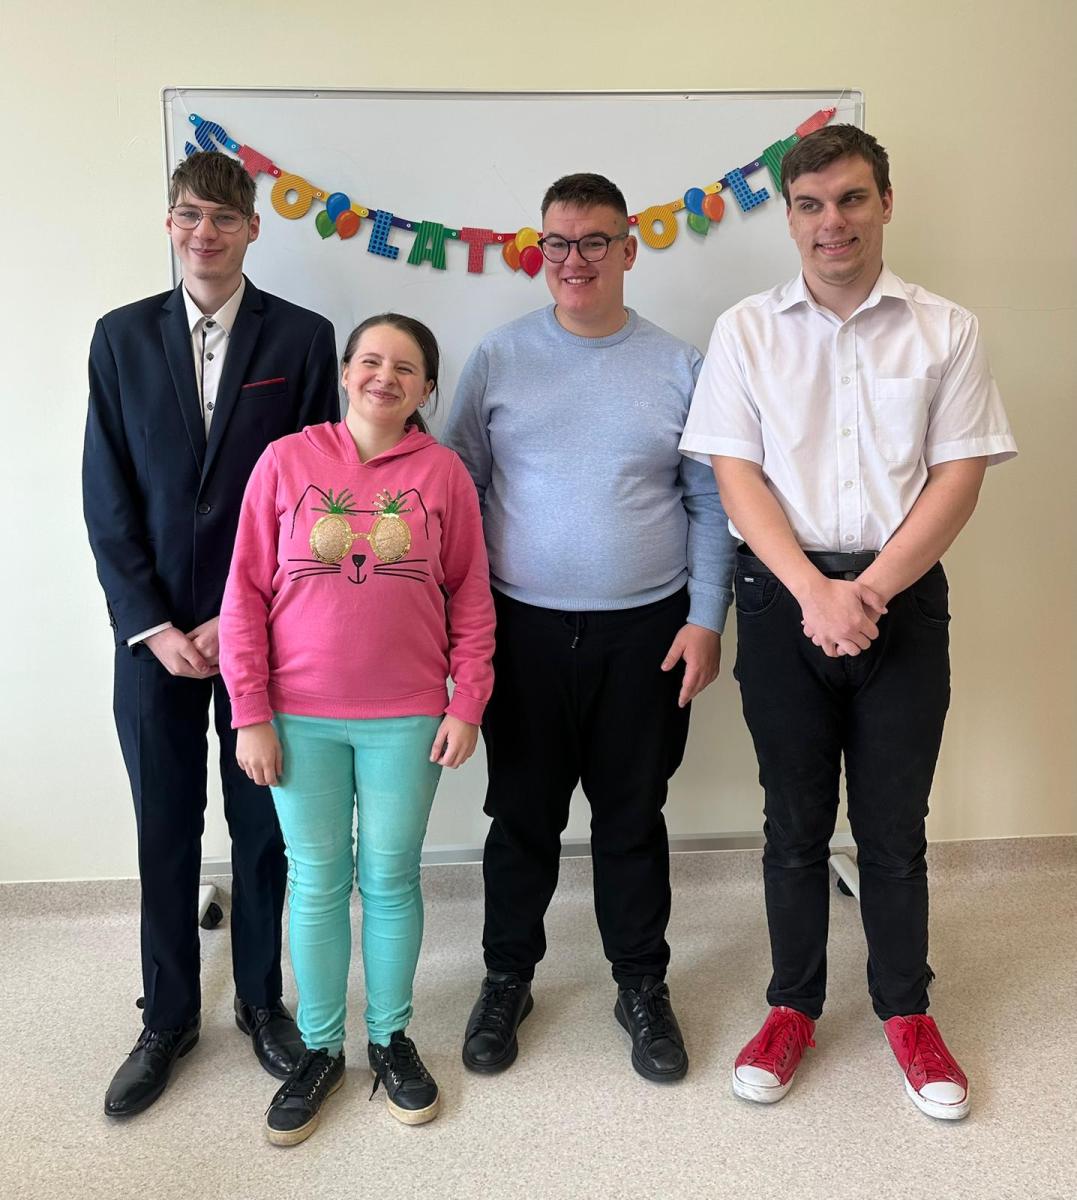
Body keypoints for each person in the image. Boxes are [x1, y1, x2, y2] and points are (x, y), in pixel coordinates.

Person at [681, 125, 1016, 1120]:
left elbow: (958, 475)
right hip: (779, 595)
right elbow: (735, 476)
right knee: (792, 824)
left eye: (853, 199)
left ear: (885, 203)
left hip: (901, 597)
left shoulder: (945, 329)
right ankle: (792, 1007)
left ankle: (906, 1012)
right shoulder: (746, 330)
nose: (834, 222)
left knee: (893, 827)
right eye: (812, 205)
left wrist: (864, 591)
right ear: (789, 217)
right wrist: (813, 592)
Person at [445, 173, 736, 1084]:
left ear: (628, 249)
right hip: (521, 632)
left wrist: (705, 619)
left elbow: (709, 502)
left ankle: (640, 985)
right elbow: (455, 489)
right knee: (520, 818)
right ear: (541, 251)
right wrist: (461, 628)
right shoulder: (498, 357)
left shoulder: (680, 365)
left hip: (646, 633)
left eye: (594, 241)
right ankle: (506, 979)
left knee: (631, 816)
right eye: (558, 243)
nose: (574, 260)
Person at [83, 150, 340, 1118]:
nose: (206, 233)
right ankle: (167, 1018)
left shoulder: (304, 339)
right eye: (191, 215)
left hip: (264, 631)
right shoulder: (119, 338)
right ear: (170, 223)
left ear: (252, 229)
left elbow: (315, 498)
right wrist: (151, 624)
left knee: (263, 826)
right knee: (164, 827)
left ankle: (262, 1003)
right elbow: (106, 492)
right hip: (152, 637)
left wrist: (240, 618)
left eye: (225, 218)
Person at [220, 313, 495, 1145]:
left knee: (391, 878)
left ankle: (389, 1038)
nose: (385, 377)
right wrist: (249, 713)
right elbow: (244, 596)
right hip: (297, 718)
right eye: (370, 360)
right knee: (314, 881)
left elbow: (470, 595)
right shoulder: (285, 461)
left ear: (427, 389)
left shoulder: (443, 473)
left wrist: (466, 702)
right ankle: (319, 1050)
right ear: (344, 372)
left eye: (405, 368)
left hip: (406, 718)